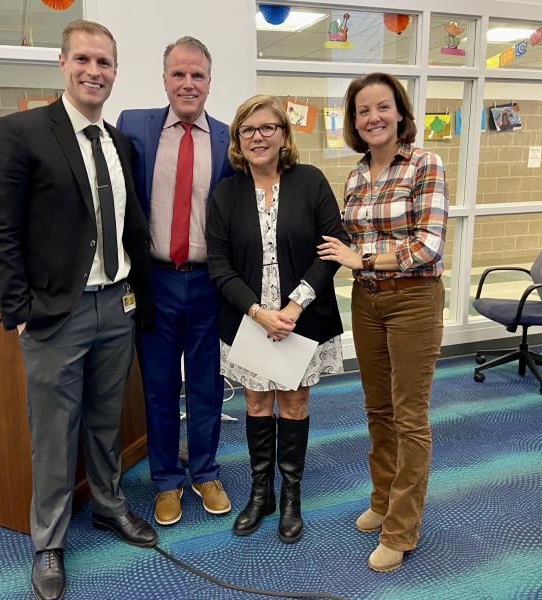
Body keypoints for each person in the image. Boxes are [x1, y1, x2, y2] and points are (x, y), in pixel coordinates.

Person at [0, 20, 157, 600]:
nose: (94, 71)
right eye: (83, 59)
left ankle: (108, 506)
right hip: (57, 314)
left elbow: (130, 227)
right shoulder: (21, 133)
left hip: (117, 305)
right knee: (54, 433)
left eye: (104, 63)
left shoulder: (120, 143)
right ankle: (48, 543)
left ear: (114, 71)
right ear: (62, 63)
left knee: (107, 420)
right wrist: (20, 310)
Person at [318, 72, 448, 572]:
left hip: (414, 300)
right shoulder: (354, 176)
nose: (372, 118)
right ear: (353, 121)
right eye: (362, 110)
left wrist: (363, 260)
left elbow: (427, 246)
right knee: (377, 410)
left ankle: (402, 527)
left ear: (400, 113)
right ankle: (382, 499)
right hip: (367, 303)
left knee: (409, 416)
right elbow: (342, 245)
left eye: (382, 107)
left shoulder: (424, 164)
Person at [206, 95, 347, 543]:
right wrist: (257, 312)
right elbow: (219, 266)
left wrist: (293, 306)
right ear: (237, 141)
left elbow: (333, 247)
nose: (258, 137)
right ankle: (260, 493)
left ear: (284, 134)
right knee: (256, 405)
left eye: (267, 128)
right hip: (249, 321)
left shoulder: (310, 181)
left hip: (300, 320)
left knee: (294, 405)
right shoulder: (226, 192)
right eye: (248, 130)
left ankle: (291, 497)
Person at [116, 37, 235, 527]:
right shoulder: (133, 126)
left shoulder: (230, 138)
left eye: (198, 75)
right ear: (164, 79)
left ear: (210, 81)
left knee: (207, 385)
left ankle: (205, 471)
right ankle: (166, 480)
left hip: (210, 283)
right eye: (179, 74)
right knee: (160, 388)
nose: (188, 84)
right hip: (156, 281)